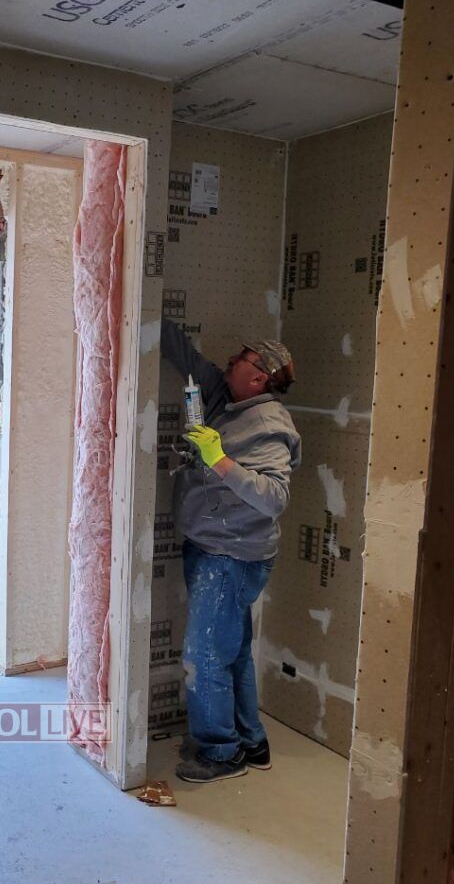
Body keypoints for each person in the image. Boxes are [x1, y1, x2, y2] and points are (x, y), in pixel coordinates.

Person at [160, 319, 300, 784]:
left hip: (231, 558)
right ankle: (251, 741)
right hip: (215, 548)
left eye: (241, 358)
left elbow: (274, 497)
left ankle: (221, 753)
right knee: (233, 652)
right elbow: (185, 354)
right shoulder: (226, 396)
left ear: (258, 377)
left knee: (204, 656)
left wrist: (219, 461)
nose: (231, 359)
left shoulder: (269, 424)